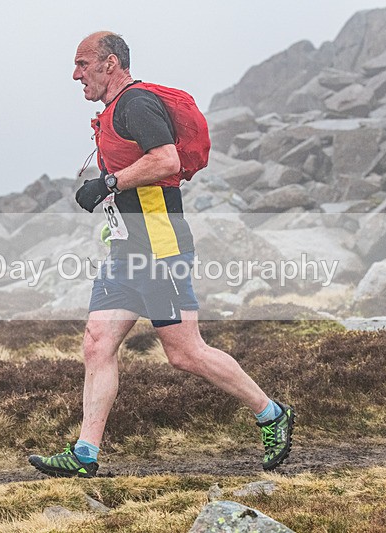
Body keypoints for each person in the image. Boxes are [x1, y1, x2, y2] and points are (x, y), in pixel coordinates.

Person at [28, 31, 294, 478]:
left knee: (185, 352)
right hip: (127, 250)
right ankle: (84, 455)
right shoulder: (114, 111)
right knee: (97, 343)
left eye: (83, 64)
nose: (76, 75)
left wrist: (107, 184)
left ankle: (272, 414)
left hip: (160, 247)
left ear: (110, 63)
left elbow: (167, 160)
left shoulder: (136, 103)